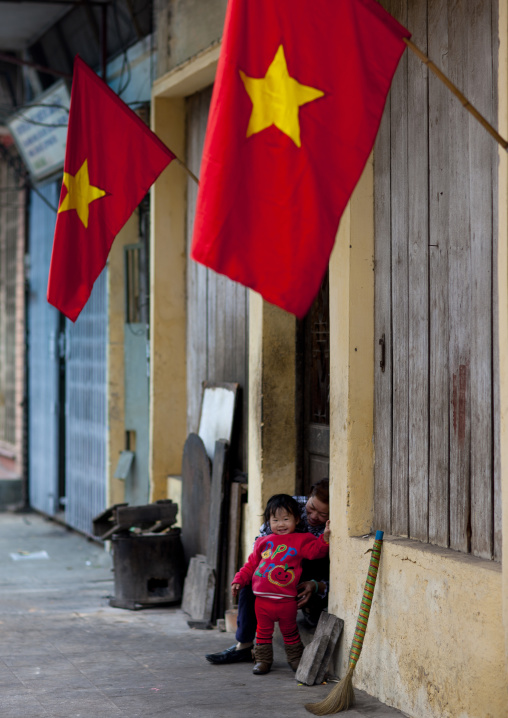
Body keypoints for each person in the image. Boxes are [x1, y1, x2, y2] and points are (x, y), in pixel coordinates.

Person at [206, 479, 330, 666]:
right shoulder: (289, 505)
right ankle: (244, 645)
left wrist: (316, 585)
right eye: (311, 507)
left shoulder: (333, 526)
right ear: (309, 495)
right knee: (250, 583)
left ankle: (297, 652)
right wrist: (243, 577)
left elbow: (324, 560)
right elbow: (260, 551)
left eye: (323, 514)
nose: (313, 516)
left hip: (307, 574)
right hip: (275, 568)